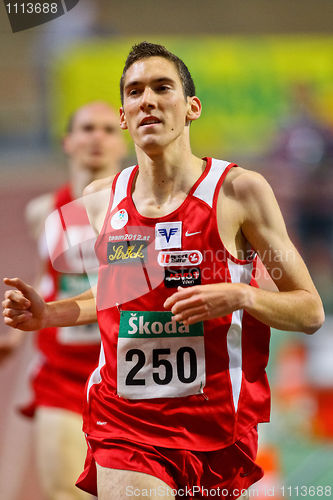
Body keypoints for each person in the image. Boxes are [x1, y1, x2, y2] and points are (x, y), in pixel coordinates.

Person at [2, 42, 324, 500]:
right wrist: (46, 313)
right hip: (126, 426)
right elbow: (115, 293)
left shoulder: (240, 192)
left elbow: (310, 311)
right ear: (124, 116)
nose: (147, 99)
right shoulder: (98, 201)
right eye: (135, 91)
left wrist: (241, 295)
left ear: (191, 107)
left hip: (216, 426)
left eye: (162, 87)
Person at [2, 101, 126, 500]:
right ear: (68, 141)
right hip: (63, 374)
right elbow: (50, 274)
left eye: (108, 129)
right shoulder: (43, 211)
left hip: (127, 374)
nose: (97, 138)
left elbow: (138, 287)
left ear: (122, 142)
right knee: (65, 492)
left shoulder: (140, 210)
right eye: (87, 128)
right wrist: (18, 334)